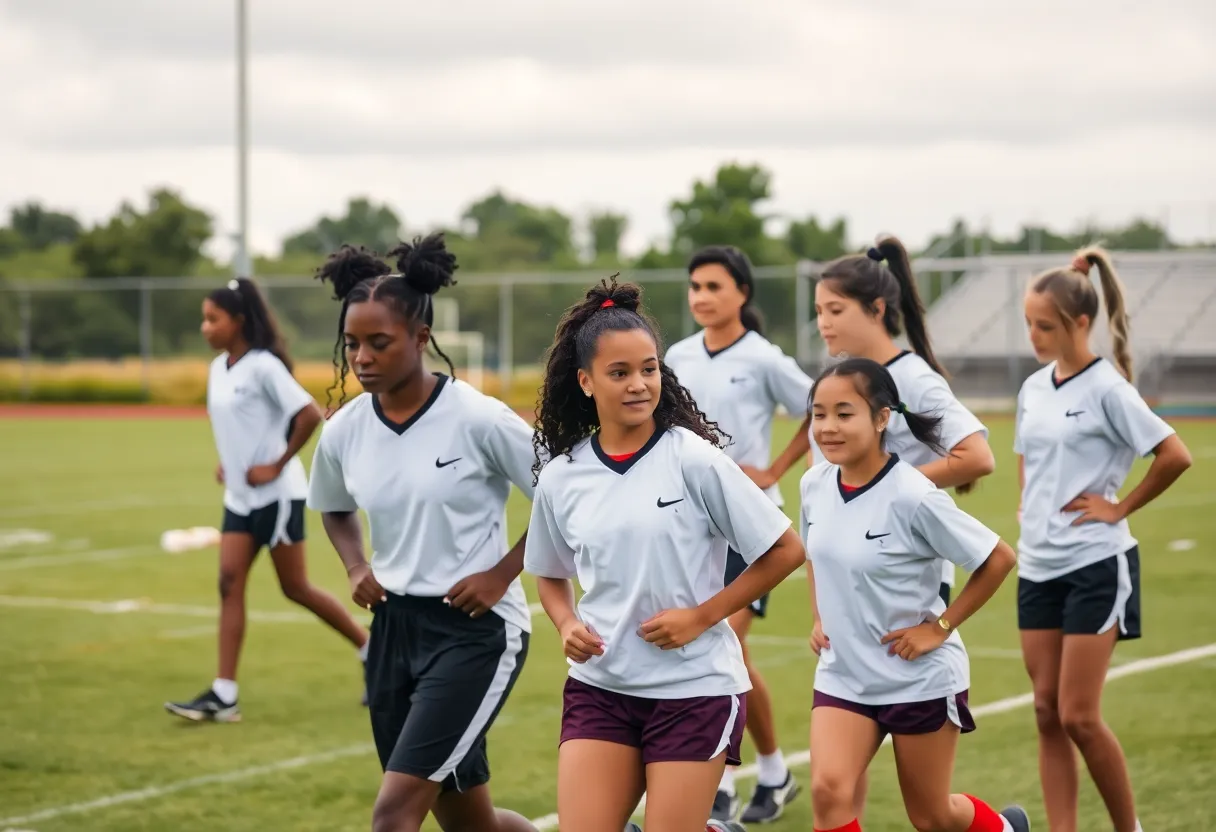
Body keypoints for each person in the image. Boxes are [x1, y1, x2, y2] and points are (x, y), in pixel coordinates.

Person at [525, 278, 806, 832]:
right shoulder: (562, 476)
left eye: (649, 369)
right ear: (585, 382)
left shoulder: (694, 460)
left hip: (693, 690)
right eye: (620, 373)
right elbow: (550, 574)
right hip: (601, 689)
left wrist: (702, 617)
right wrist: (563, 623)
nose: (639, 384)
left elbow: (785, 550)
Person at [306, 236, 539, 832]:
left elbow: (563, 498)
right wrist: (357, 566)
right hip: (393, 631)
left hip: (475, 634)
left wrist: (500, 573)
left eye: (378, 343)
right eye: (352, 344)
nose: (361, 357)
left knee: (393, 815)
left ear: (420, 338)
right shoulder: (345, 429)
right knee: (470, 825)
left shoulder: (479, 418)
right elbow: (333, 506)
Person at [802, 357, 1029, 832]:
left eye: (845, 414)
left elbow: (998, 558)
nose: (828, 427)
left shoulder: (913, 494)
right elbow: (815, 553)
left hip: (917, 677)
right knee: (828, 793)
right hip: (845, 674)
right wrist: (819, 616)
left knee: (932, 816)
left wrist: (939, 628)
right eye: (819, 414)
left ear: (882, 418)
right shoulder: (814, 484)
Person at [1015, 248, 1192, 832]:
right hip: (1037, 566)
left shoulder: (1108, 388)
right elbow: (1028, 460)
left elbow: (1174, 455)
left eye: (1046, 326)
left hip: (1096, 563)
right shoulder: (1033, 388)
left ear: (1080, 323)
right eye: (1030, 325)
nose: (1035, 336)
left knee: (1078, 716)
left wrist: (1119, 507)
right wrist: (1029, 508)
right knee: (1044, 712)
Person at [165, 277, 369, 723]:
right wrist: (230, 463)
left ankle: (370, 649)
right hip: (239, 499)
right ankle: (224, 695)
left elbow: (309, 414)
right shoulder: (219, 368)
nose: (205, 327)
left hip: (277, 497)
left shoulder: (263, 366)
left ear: (238, 320)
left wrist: (275, 464)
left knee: (295, 587)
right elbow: (238, 428)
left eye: (212, 318)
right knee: (228, 583)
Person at [664, 244, 811, 823]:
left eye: (714, 286)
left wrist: (774, 470)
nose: (702, 296)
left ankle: (728, 779)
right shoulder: (675, 355)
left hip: (750, 527)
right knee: (723, 649)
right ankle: (768, 772)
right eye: (695, 286)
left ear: (742, 294)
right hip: (688, 525)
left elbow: (818, 407)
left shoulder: (764, 358)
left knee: (722, 643)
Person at [813, 237, 996, 606]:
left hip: (906, 572)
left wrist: (884, 490)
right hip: (848, 566)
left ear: (876, 309)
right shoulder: (837, 382)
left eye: (835, 310)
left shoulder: (913, 378)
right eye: (818, 312)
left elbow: (977, 458)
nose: (823, 323)